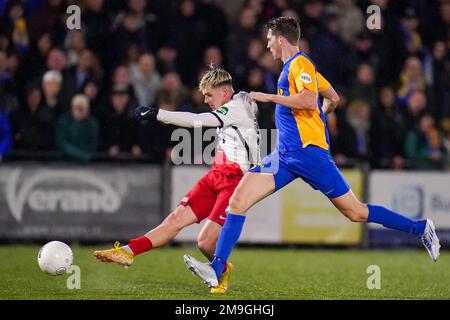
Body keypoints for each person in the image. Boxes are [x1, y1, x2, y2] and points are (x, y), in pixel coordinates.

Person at [184, 16, 441, 290]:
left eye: (270, 39)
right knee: (238, 200)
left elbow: (308, 99)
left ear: (281, 39)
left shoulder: (300, 64)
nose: (267, 44)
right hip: (284, 155)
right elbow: (333, 98)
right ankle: (217, 268)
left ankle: (422, 228)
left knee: (355, 212)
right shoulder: (295, 69)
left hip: (309, 153)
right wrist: (320, 116)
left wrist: (270, 97)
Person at [93, 66, 260, 294]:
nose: (206, 99)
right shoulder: (233, 104)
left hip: (236, 182)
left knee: (204, 243)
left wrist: (157, 113)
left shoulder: (237, 107)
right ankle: (128, 251)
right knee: (175, 219)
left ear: (225, 91)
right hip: (215, 175)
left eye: (209, 94)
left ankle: (221, 269)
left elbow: (195, 120)